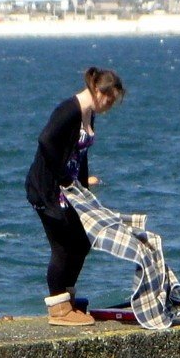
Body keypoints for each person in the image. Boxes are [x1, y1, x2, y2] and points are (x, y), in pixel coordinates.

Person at [26, 67, 125, 326]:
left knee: (81, 241)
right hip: (47, 191)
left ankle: (67, 299)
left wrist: (83, 188)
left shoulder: (88, 115)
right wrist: (62, 177)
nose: (110, 106)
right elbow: (46, 141)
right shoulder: (68, 110)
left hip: (69, 191)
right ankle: (58, 308)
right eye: (110, 100)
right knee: (63, 245)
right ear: (98, 91)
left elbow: (81, 156)